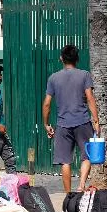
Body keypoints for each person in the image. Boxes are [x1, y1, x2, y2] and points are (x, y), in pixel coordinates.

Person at [42, 45, 100, 192]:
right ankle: (81, 186)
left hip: (63, 124)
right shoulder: (84, 75)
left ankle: (68, 195)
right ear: (77, 59)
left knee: (65, 161)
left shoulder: (53, 78)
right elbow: (90, 98)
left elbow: (47, 103)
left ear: (61, 58)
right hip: (83, 121)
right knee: (86, 156)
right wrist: (96, 121)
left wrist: (46, 124)